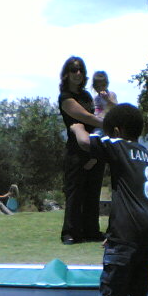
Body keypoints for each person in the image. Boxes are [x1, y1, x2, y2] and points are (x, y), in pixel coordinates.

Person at [71, 103, 148, 296]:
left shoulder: (118, 144)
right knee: (140, 273)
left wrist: (77, 127)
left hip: (130, 227)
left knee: (117, 273)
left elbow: (86, 142)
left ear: (116, 130)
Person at [58, 56, 104, 245]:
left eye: (81, 70)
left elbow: (94, 115)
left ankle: (91, 231)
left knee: (93, 191)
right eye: (74, 70)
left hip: (93, 146)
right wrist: (109, 123)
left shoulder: (86, 96)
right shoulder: (66, 97)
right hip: (76, 151)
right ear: (67, 74)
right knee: (75, 192)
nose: (78, 73)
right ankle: (70, 232)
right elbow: (85, 116)